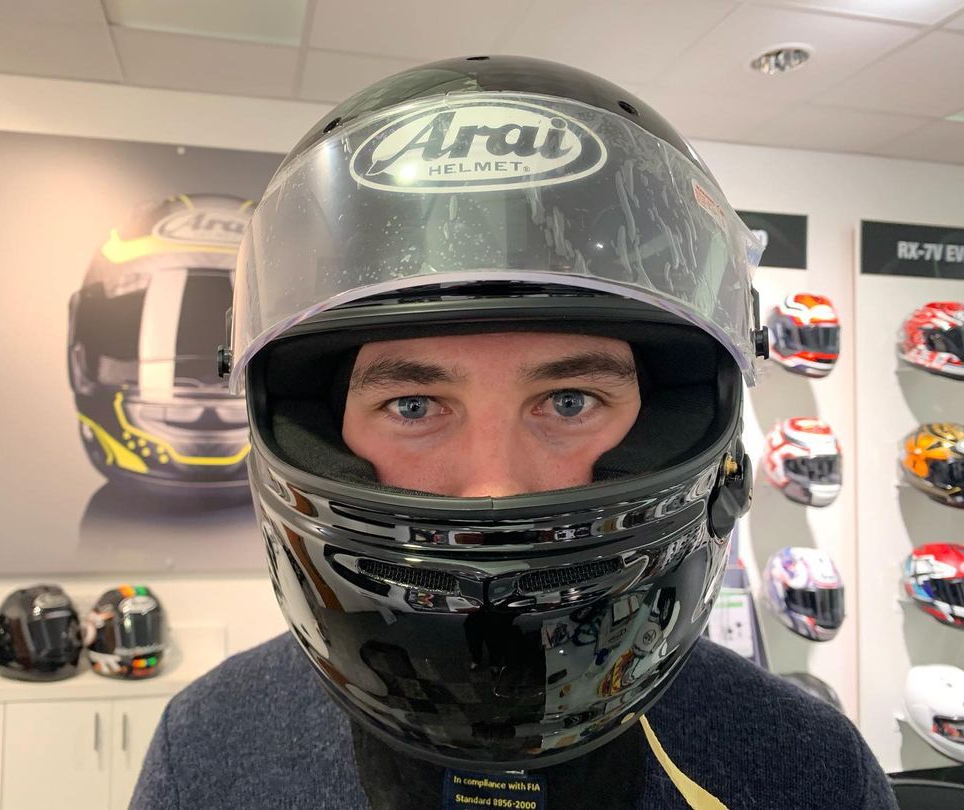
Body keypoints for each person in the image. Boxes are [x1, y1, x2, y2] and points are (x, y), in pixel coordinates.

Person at [130, 56, 898, 809]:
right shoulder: (206, 751)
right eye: (414, 406)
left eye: (569, 401)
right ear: (310, 431)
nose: (493, 484)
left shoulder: (809, 769)